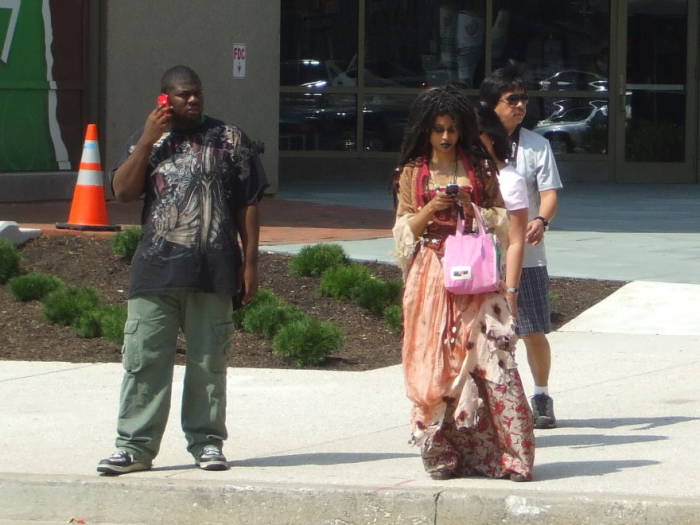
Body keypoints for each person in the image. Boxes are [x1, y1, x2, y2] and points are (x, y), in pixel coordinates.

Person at [97, 65, 267, 475]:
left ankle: (207, 442)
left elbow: (249, 202)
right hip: (156, 271)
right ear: (164, 99)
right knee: (144, 361)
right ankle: (134, 448)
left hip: (214, 270)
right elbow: (122, 191)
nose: (192, 100)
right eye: (182, 94)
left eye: (197, 93)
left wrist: (250, 263)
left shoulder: (230, 139)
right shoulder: (151, 142)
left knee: (209, 363)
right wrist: (146, 141)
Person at [392, 84, 534, 481]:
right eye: (438, 129)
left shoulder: (479, 167)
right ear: (425, 130)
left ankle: (509, 457)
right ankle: (443, 455)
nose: (445, 137)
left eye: (452, 128)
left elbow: (503, 219)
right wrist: (431, 209)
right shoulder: (412, 172)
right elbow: (403, 232)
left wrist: (472, 209)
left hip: (477, 276)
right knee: (435, 365)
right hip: (431, 277)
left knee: (495, 360)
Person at [480, 64, 563, 429]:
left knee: (531, 329)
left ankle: (542, 395)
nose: (520, 105)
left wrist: (541, 220)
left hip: (527, 256)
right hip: (481, 256)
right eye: (512, 99)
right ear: (491, 104)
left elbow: (549, 194)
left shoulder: (536, 145)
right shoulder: (475, 145)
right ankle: (486, 403)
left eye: (524, 99)